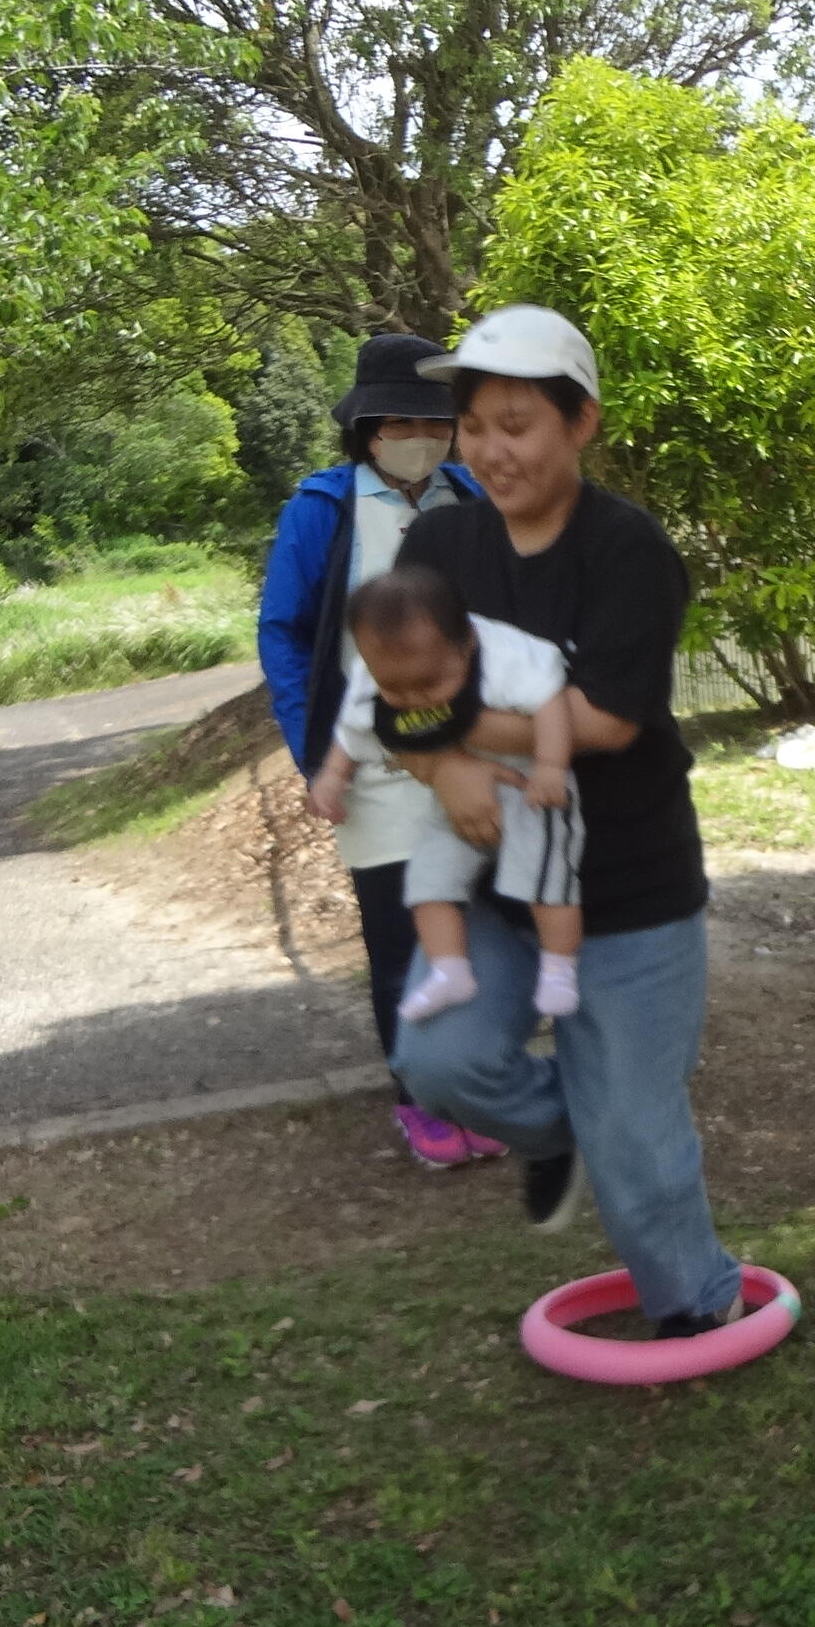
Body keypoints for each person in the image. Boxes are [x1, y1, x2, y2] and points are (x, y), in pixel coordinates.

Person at [391, 305, 746, 1337]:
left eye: (518, 424)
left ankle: (698, 1306)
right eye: (475, 425)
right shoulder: (441, 539)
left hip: (628, 894)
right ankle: (571, 1129)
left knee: (638, 1143)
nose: (491, 450)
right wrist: (438, 764)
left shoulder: (628, 548)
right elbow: (390, 692)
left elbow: (602, 718)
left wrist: (447, 729)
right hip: (496, 887)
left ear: (579, 423)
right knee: (441, 1062)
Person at [256, 332, 506, 1170]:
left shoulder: (470, 497)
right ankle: (420, 1102)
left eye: (435, 421)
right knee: (403, 939)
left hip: (472, 756)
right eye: (400, 420)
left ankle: (474, 1086)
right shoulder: (321, 509)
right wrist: (315, 750)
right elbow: (284, 634)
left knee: (479, 930)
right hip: (370, 760)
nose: (419, 436)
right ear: (366, 428)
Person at [308, 564, 587, 1022]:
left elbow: (550, 702)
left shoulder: (507, 654)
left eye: (431, 683)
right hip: (450, 796)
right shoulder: (374, 676)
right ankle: (449, 970)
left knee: (545, 880)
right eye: (394, 688)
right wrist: (333, 777)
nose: (416, 699)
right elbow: (352, 728)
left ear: (468, 643)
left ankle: (559, 968)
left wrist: (552, 767)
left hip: (530, 787)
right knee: (427, 883)